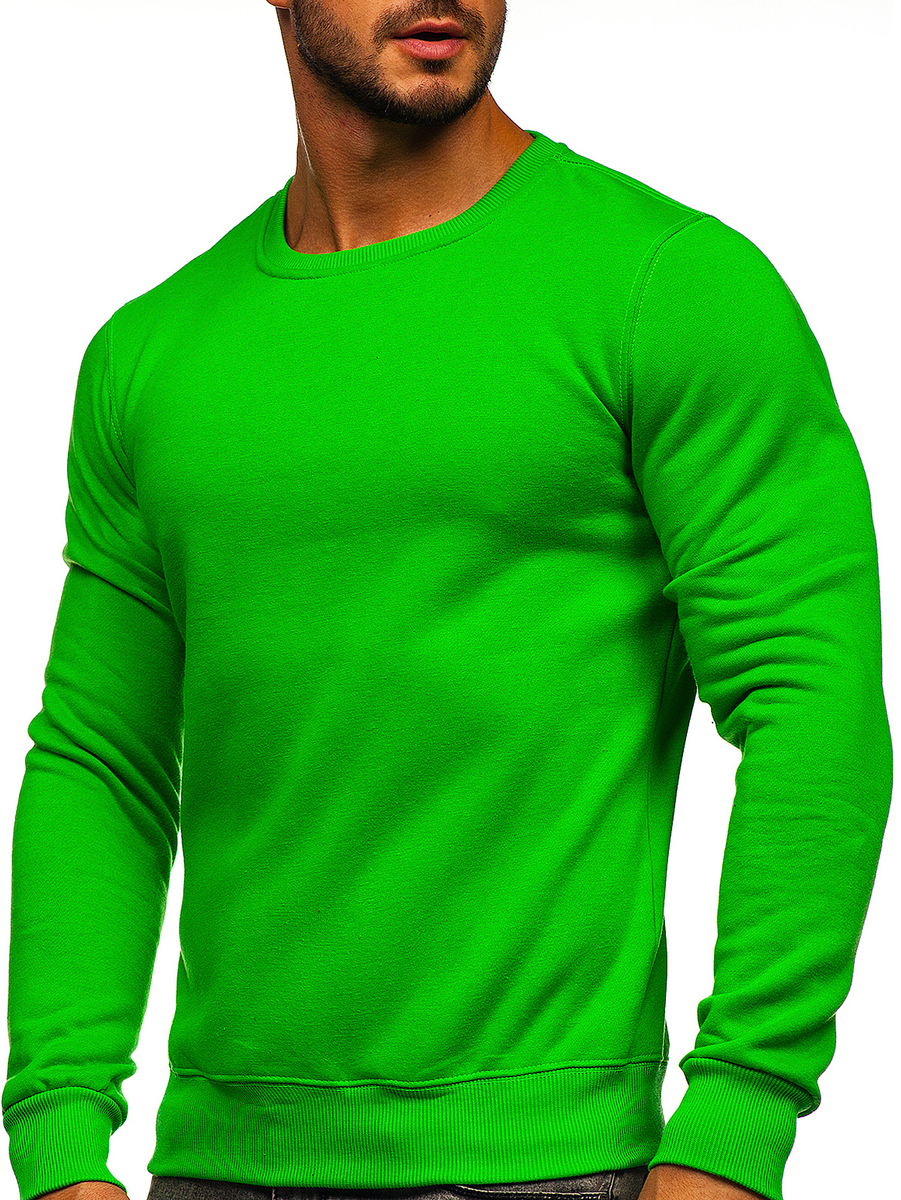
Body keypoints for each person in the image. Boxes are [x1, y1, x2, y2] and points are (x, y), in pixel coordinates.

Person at [3, 2, 892, 1200]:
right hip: (213, 1163)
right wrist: (60, 1143)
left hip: (546, 1163)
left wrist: (735, 1128)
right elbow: (100, 760)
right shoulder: (149, 356)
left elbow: (810, 700)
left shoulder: (667, 286)